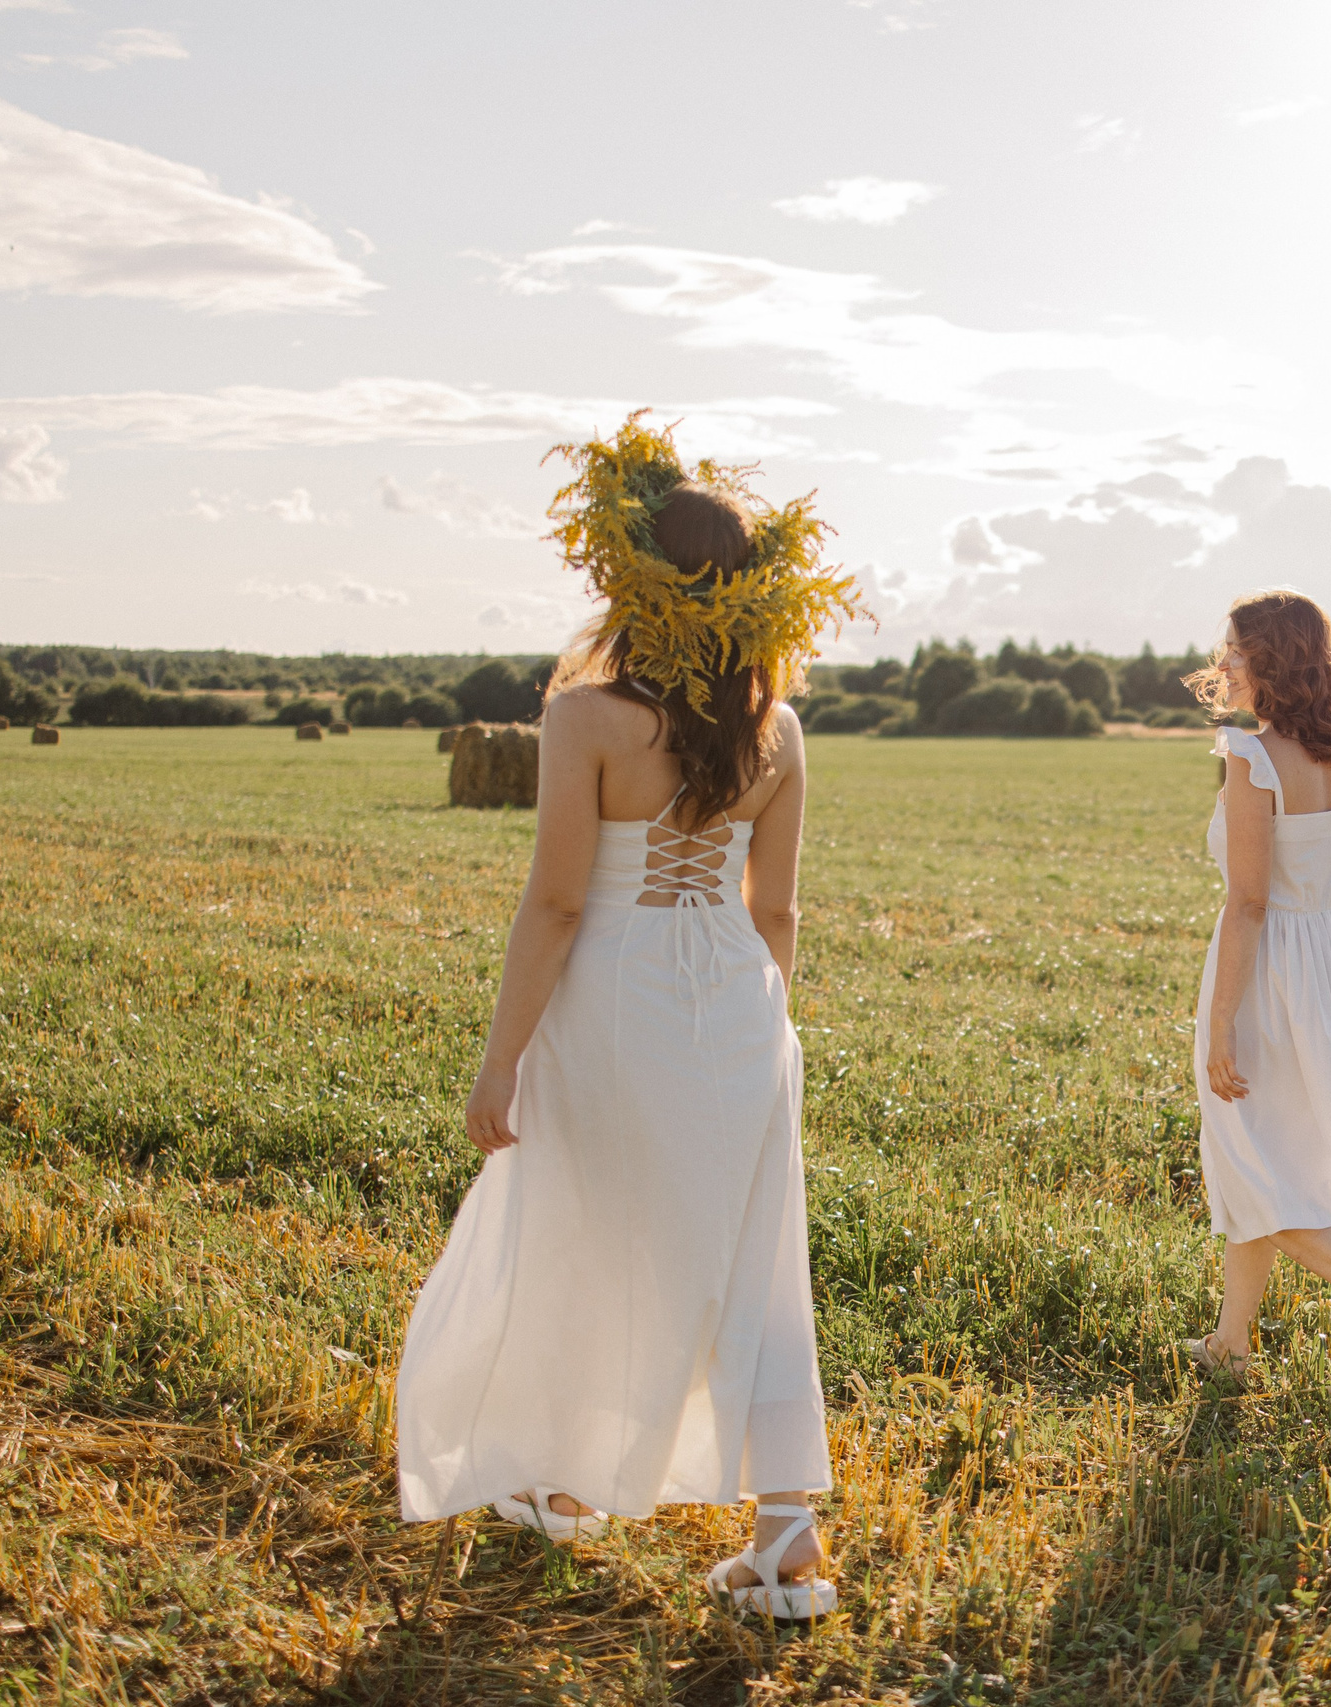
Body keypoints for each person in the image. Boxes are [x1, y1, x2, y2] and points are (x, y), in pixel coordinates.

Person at [394, 416, 868, 1621]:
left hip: (618, 994)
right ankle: (786, 1535)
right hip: (740, 1004)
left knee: (584, 1225)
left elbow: (557, 903)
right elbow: (781, 910)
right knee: (756, 1260)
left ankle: (563, 1482)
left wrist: (498, 1061)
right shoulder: (780, 729)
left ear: (633, 584)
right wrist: (762, 1034)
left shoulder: (588, 717)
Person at [1177, 589, 1331, 1392]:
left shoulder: (1252, 758)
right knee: (1272, 1148)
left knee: (1254, 1163)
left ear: (1273, 662)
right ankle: (1230, 1342)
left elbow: (1249, 903)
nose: (1225, 665)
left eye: (1238, 652)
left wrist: (1222, 1021)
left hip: (1270, 964)